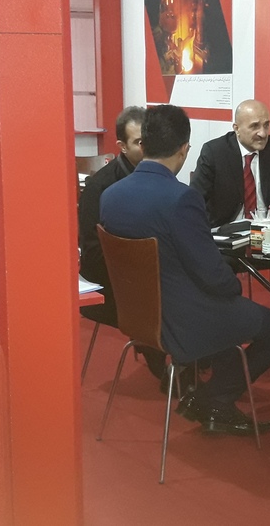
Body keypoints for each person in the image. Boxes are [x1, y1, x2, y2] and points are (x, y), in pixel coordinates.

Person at [100, 104, 270, 437]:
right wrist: (233, 287)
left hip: (139, 316)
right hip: (185, 320)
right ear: (184, 149)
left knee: (230, 316)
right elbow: (213, 276)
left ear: (143, 145)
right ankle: (216, 399)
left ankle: (210, 393)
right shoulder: (181, 199)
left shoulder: (110, 196)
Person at [77, 106, 166, 383]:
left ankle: (197, 363)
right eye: (139, 142)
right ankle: (174, 370)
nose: (148, 147)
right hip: (113, 283)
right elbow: (93, 255)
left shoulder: (160, 174)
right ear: (122, 146)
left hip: (153, 271)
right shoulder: (99, 188)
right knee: (173, 299)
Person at [190, 99, 270, 227]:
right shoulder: (215, 152)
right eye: (255, 126)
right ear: (237, 129)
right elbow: (195, 199)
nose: (263, 133)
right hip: (227, 230)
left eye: (266, 125)